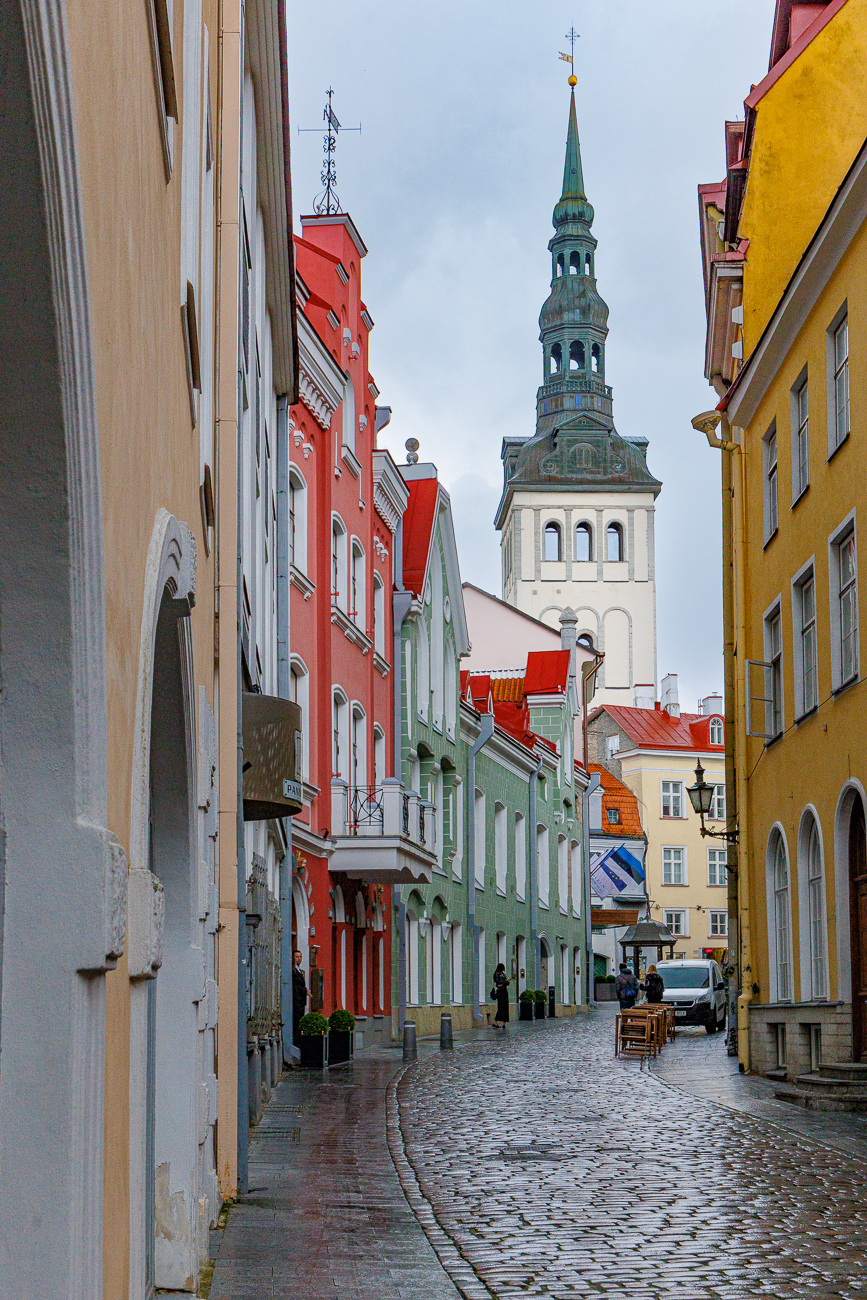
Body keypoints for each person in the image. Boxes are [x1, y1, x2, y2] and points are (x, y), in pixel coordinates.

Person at [292, 949, 308, 1046]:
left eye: (300, 957)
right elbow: (296, 986)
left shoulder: (299, 970)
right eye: (297, 957)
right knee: (297, 1024)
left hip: (301, 1003)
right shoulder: (293, 971)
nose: (299, 959)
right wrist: (305, 991)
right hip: (297, 1003)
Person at [492, 962, 510, 1028]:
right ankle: (495, 1022)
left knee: (505, 1007)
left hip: (504, 991)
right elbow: (498, 981)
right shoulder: (496, 974)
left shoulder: (503, 974)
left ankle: (504, 1023)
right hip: (500, 991)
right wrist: (505, 981)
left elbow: (505, 983)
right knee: (501, 1007)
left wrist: (507, 982)